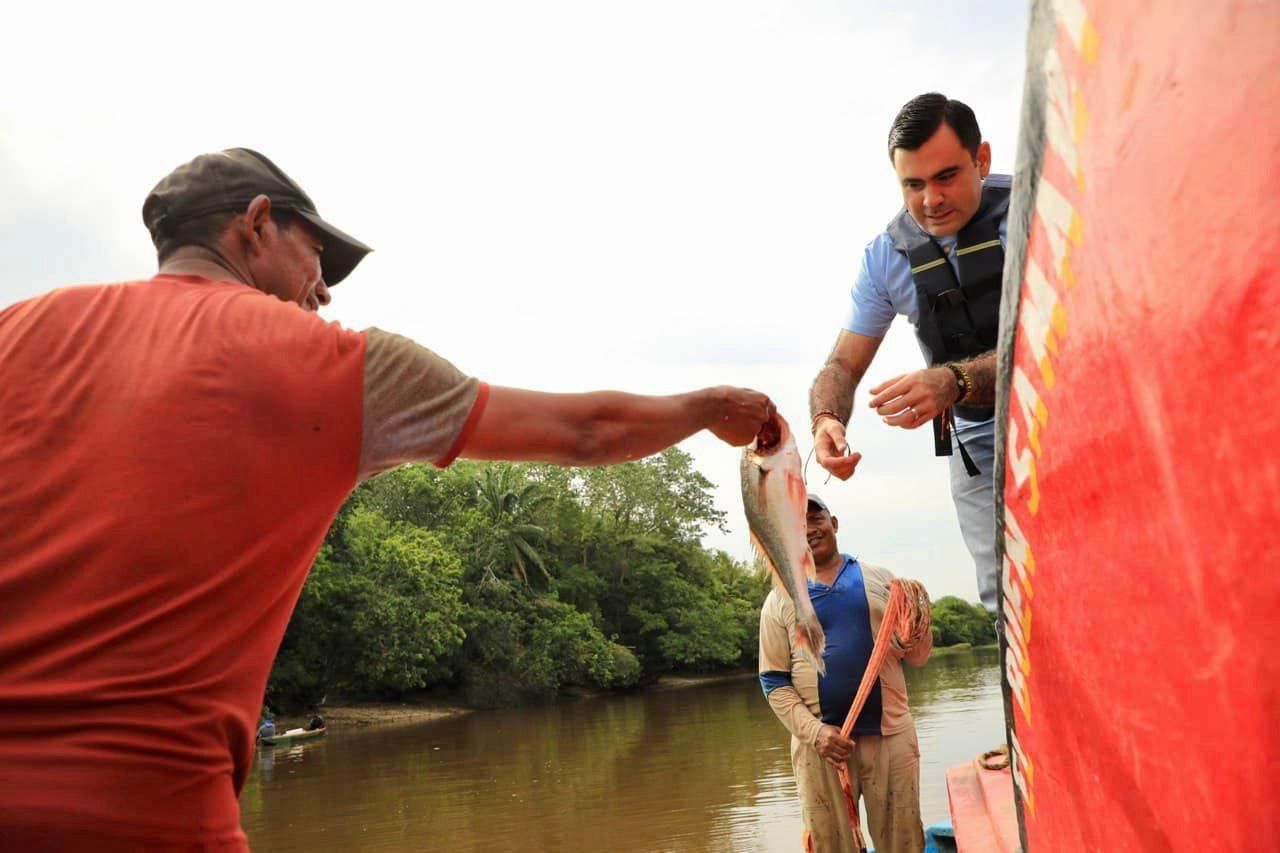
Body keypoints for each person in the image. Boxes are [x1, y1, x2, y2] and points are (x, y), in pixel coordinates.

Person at [0, 148, 776, 850]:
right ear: (256, 224)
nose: (326, 287)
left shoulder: (15, 333)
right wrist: (704, 407)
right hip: (152, 821)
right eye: (317, 253)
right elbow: (586, 432)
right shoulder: (340, 366)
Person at [810, 93, 1008, 613]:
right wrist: (826, 420)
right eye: (913, 184)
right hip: (976, 439)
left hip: (1073, 414)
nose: (931, 200)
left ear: (981, 160)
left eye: (946, 177)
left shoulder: (1038, 210)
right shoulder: (885, 257)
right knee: (1003, 594)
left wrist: (950, 381)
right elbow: (842, 365)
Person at [759, 494, 931, 853]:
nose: (807, 529)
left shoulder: (881, 580)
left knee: (903, 841)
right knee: (831, 843)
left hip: (891, 737)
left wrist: (920, 614)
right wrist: (816, 733)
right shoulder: (778, 599)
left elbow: (916, 657)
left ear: (833, 523)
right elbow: (773, 681)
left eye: (815, 517)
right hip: (821, 747)